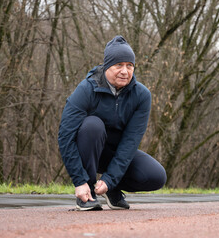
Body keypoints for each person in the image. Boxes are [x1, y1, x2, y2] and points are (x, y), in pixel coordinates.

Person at [58, 35, 167, 211]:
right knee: (93, 125)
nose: (125, 71)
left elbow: (130, 142)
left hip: (116, 153)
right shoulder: (86, 89)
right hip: (89, 148)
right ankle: (88, 194)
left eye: (129, 66)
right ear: (107, 66)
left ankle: (112, 190)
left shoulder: (142, 96)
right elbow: (65, 137)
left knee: (156, 176)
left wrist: (110, 179)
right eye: (119, 65)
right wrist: (79, 180)